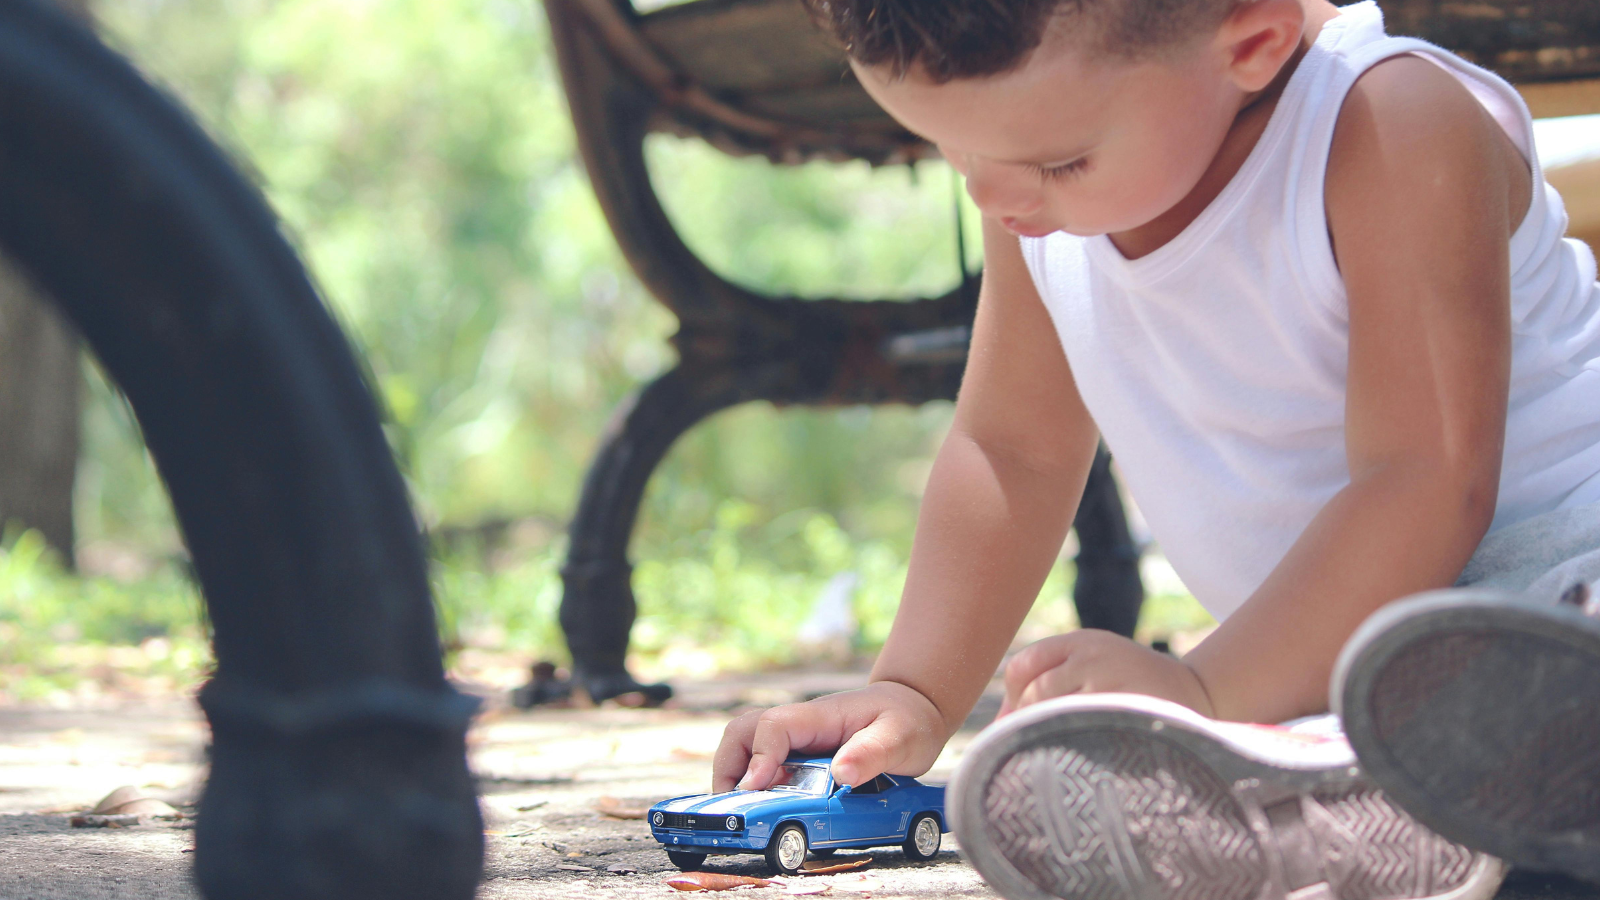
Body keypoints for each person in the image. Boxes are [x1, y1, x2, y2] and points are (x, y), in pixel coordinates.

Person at [712, 0, 1600, 896]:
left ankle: (1420, 789)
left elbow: (1424, 478)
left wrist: (1204, 695)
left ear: (1251, 43)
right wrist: (913, 691)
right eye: (952, 149)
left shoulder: (1385, 120)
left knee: (1535, 663)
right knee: (1339, 730)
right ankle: (1367, 811)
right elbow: (1013, 448)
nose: (989, 194)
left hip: (1563, 577)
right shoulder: (1037, 189)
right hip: (1344, 666)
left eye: (1058, 160)